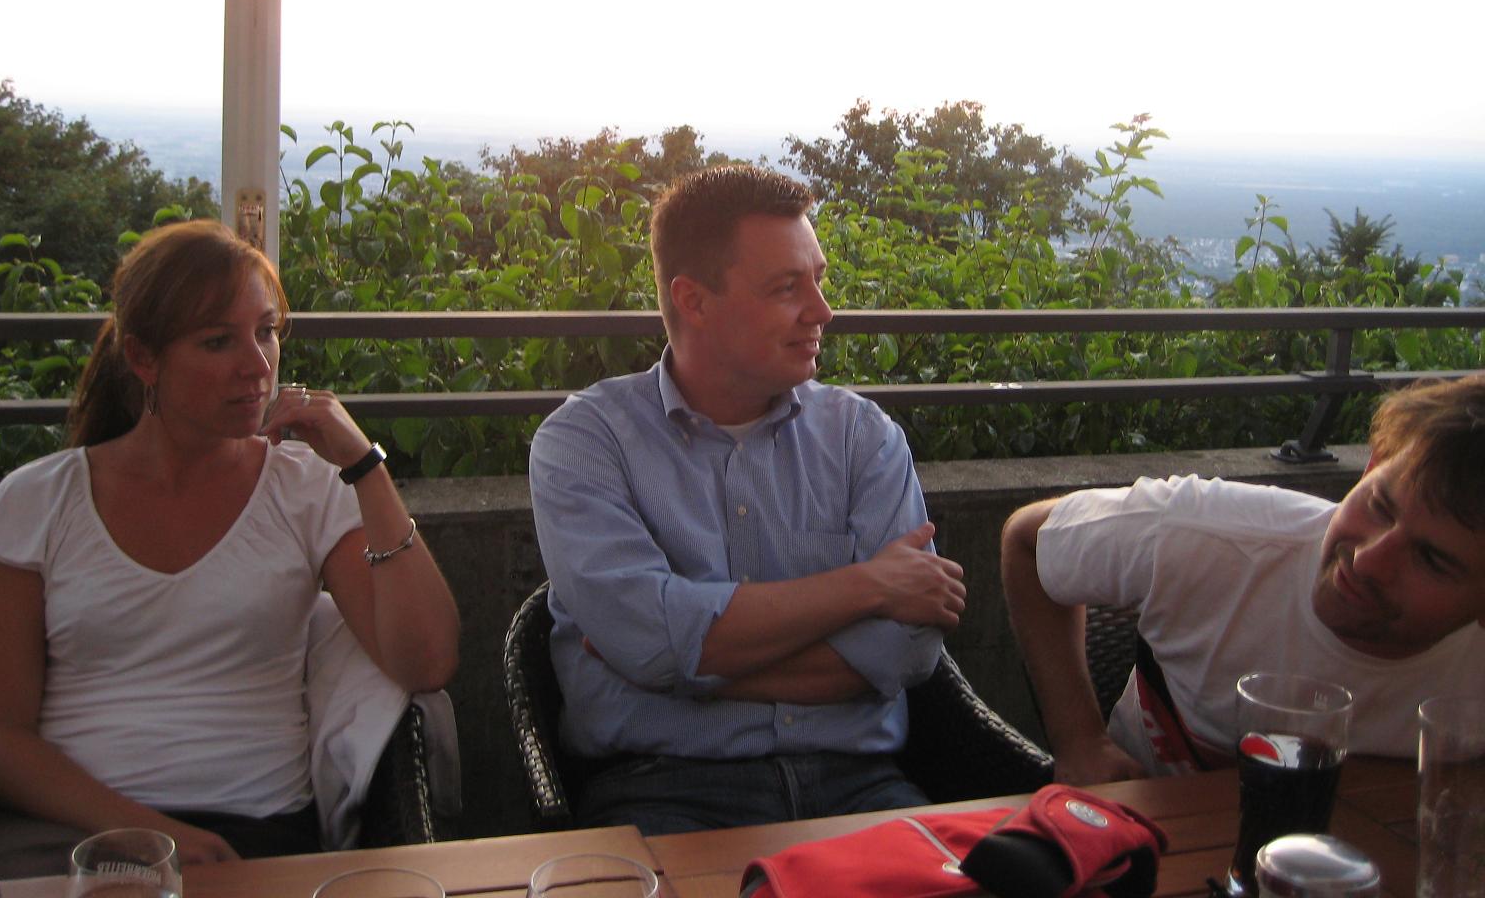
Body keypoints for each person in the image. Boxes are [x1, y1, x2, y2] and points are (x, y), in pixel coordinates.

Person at [0, 220, 460, 874]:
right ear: (144, 359)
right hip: (70, 834)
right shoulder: (38, 501)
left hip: (252, 836)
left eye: (266, 331)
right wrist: (151, 834)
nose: (258, 365)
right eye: (218, 341)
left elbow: (427, 662)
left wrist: (365, 466)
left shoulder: (304, 488)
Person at [528, 165, 967, 835]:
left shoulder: (861, 437)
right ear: (694, 300)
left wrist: (681, 668)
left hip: (861, 788)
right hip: (663, 791)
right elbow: (648, 637)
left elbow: (906, 653)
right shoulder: (587, 442)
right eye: (787, 287)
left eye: (818, 279)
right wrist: (868, 586)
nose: (822, 310)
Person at [1001, 373, 1485, 785]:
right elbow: (1028, 540)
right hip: (1153, 835)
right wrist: (1080, 742)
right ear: (1373, 465)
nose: (1367, 560)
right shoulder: (1206, 535)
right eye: (1379, 505)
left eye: (1432, 559)